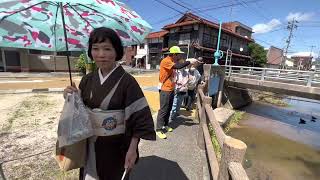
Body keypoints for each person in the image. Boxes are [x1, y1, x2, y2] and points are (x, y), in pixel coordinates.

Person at [63, 27, 156, 180]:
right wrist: (71, 98)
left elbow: (139, 119)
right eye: (96, 49)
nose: (101, 55)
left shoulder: (127, 82)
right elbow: (79, 113)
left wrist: (133, 149)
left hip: (116, 148)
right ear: (90, 51)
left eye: (107, 49)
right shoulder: (87, 80)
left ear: (117, 51)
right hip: (89, 144)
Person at [156, 46, 199, 139]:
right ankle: (158, 129)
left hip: (171, 89)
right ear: (174, 54)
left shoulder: (172, 60)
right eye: (178, 54)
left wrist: (188, 60)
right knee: (163, 110)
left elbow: (181, 63)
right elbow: (179, 66)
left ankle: (165, 125)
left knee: (169, 108)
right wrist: (189, 62)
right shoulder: (166, 61)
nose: (179, 56)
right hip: (165, 89)